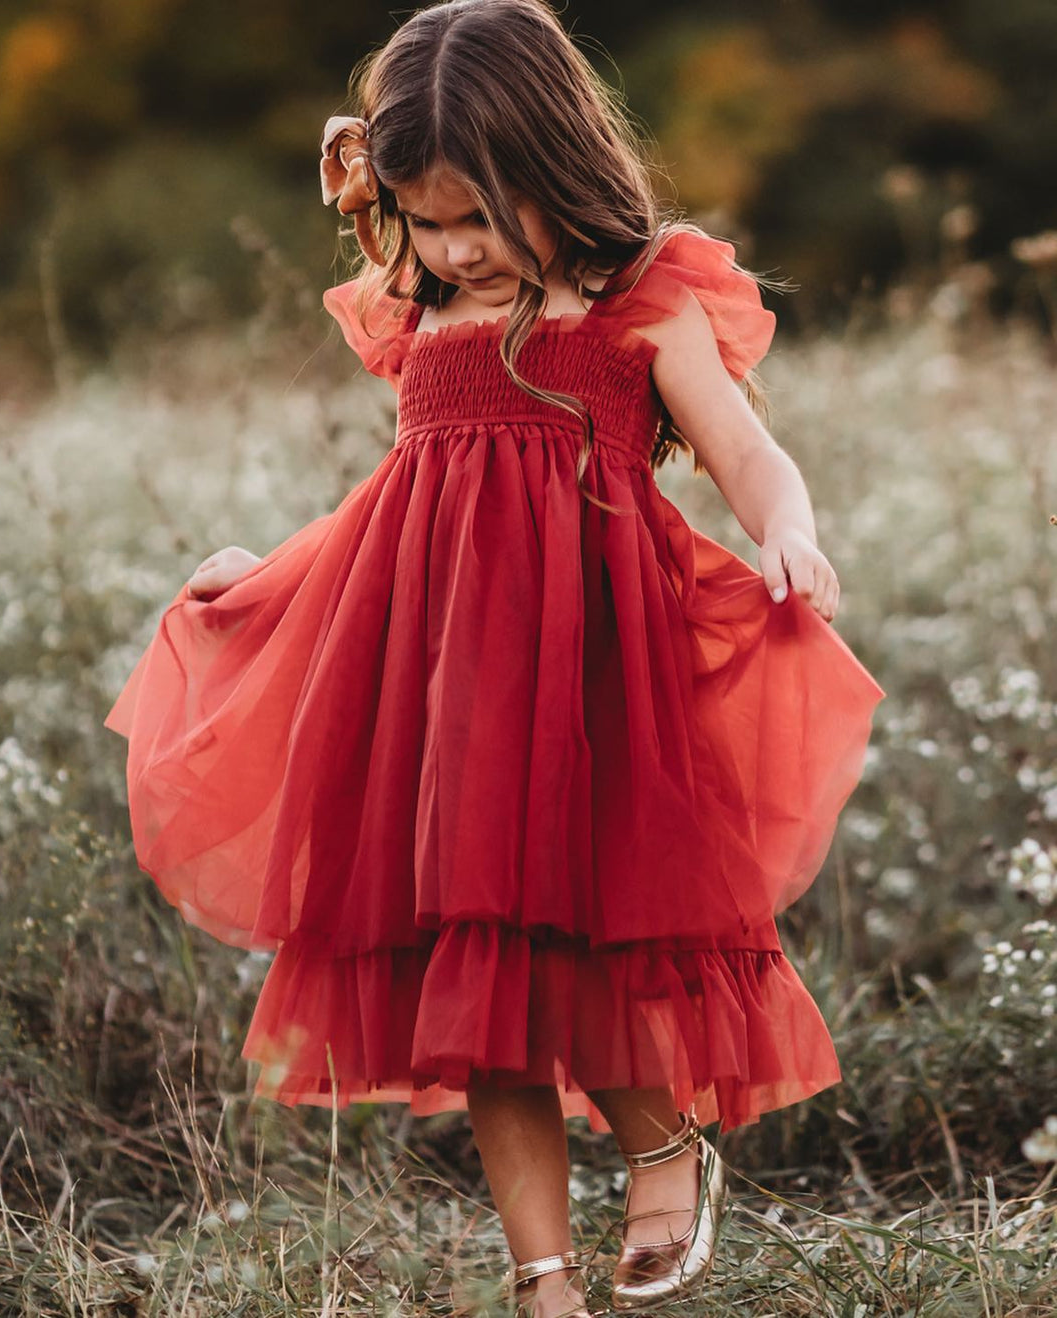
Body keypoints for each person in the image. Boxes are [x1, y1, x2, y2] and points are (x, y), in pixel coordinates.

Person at [103, 1, 885, 1312]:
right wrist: (274, 578)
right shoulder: (424, 322)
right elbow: (398, 504)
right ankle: (542, 1277)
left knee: (604, 929)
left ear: (550, 168)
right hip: (447, 689)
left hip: (598, 687)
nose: (454, 249)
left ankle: (662, 1156)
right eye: (425, 218)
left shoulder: (638, 304)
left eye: (480, 216)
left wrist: (792, 529)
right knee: (471, 970)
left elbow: (747, 454)